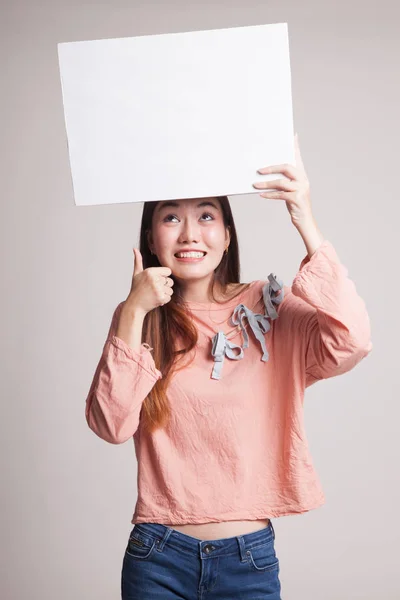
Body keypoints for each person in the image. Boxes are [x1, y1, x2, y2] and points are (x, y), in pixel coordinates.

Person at [85, 136, 372, 599]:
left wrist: (305, 219)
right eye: (171, 216)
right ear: (151, 238)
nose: (189, 234)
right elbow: (111, 424)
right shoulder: (137, 315)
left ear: (227, 233)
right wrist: (134, 312)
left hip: (248, 561)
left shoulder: (268, 307)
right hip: (156, 557)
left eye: (206, 215)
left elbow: (352, 341)